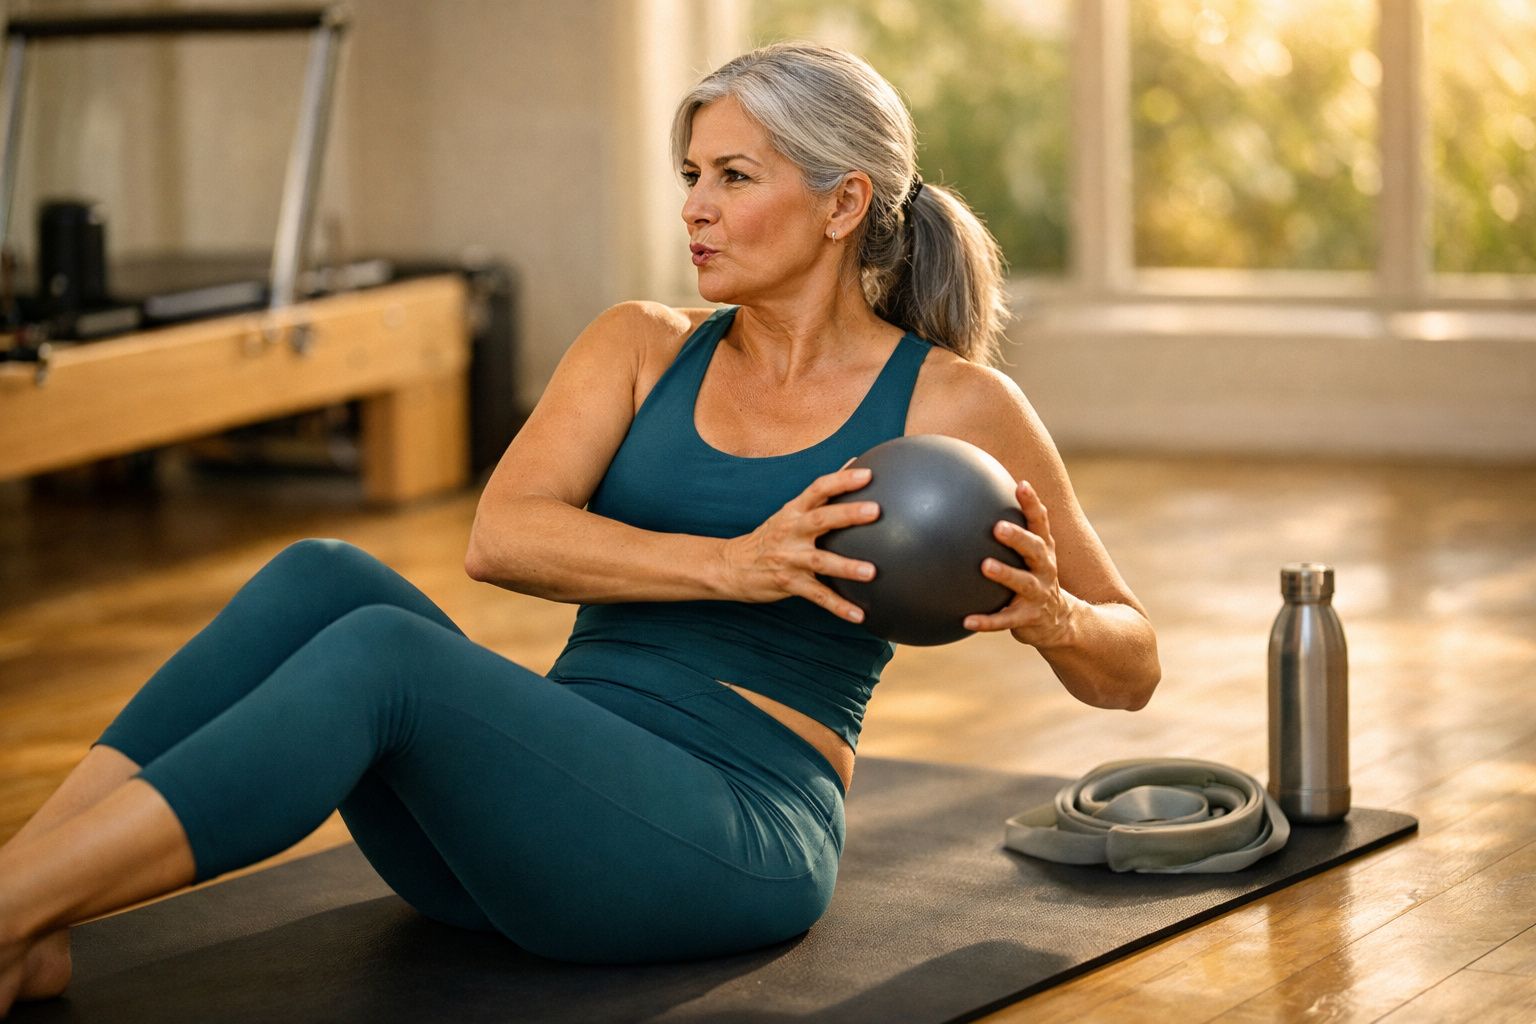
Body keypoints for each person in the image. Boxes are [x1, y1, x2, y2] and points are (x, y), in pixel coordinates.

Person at [0, 42, 1159, 1013]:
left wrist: (1052, 616)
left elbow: (1132, 663)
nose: (697, 207)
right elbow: (500, 536)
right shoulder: (640, 344)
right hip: (533, 818)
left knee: (385, 659)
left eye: (736, 177)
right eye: (691, 173)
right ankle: (24, 906)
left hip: (728, 832)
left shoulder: (955, 403)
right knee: (322, 578)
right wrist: (734, 564)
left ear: (844, 202)